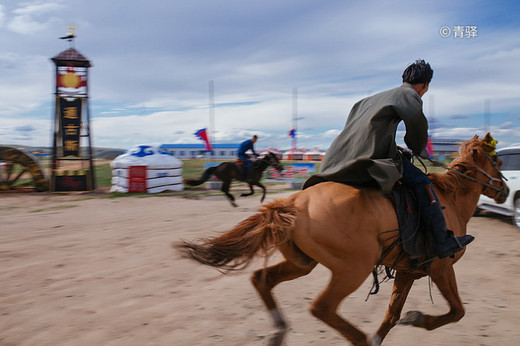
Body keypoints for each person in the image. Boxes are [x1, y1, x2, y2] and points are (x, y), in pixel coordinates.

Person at [303, 60, 473, 259]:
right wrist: (420, 150)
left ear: (404, 78)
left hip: (336, 158)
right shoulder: (410, 95)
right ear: (425, 85)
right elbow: (416, 134)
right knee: (422, 181)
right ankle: (442, 240)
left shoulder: (369, 99)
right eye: (426, 88)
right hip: (369, 158)